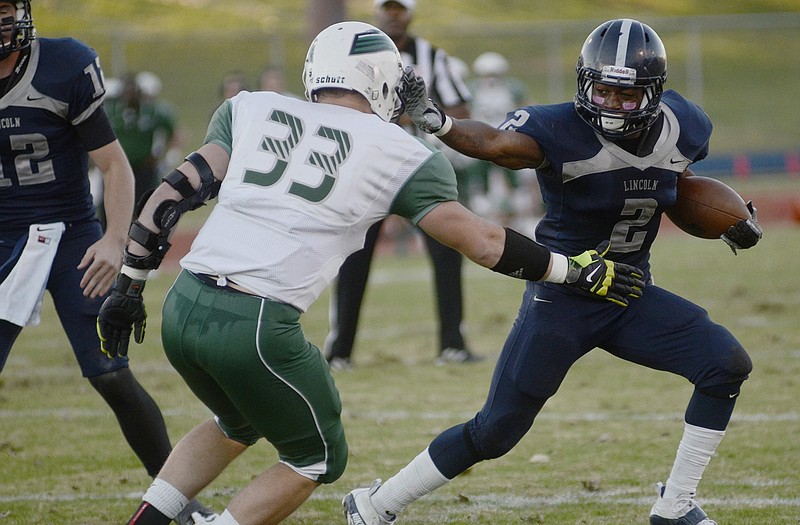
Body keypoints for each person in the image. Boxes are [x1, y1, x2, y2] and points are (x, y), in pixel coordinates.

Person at [94, 21, 644, 525]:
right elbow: (481, 242)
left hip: (183, 306)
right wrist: (569, 271)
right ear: (383, 80)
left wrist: (128, 285)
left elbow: (169, 197)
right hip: (256, 325)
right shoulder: (398, 152)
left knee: (238, 423)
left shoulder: (249, 109)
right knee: (317, 456)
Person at [343, 18, 762, 525]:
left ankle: (675, 506)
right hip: (562, 294)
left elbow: (678, 183)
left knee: (725, 364)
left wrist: (730, 218)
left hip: (628, 293)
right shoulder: (558, 128)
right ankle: (375, 502)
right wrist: (440, 123)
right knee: (496, 431)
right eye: (603, 91)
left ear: (654, 94)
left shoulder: (684, 126)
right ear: (584, 83)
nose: (612, 106)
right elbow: (496, 144)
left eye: (627, 97)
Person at [0, 3, 213, 524]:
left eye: (5, 9)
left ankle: (176, 500)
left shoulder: (62, 66)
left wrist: (116, 237)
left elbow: (114, 163)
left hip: (71, 236)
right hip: (2, 237)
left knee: (110, 374)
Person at [323, 0, 477, 370]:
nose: (393, 14)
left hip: (416, 168)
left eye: (399, 8)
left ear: (410, 13)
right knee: (353, 256)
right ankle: (340, 350)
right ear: (378, 11)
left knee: (447, 250)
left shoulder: (432, 57)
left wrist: (416, 112)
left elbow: (461, 111)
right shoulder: (350, 52)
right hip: (367, 168)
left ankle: (452, 344)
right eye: (387, 8)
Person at [465, 51, 540, 234]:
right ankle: (483, 225)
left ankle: (521, 225)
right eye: (487, 75)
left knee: (517, 187)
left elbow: (529, 107)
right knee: (479, 188)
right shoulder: (471, 90)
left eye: (494, 75)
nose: (490, 79)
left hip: (504, 141)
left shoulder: (512, 88)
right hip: (482, 142)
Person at [105, 71, 180, 207]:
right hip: (118, 166)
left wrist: (169, 157)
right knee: (113, 205)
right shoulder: (111, 110)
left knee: (146, 206)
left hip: (145, 168)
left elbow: (175, 133)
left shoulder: (154, 112)